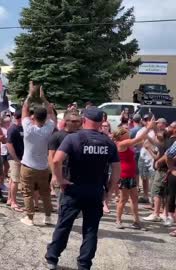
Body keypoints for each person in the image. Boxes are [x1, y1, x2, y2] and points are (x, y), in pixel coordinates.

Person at [45, 107, 121, 270]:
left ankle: (52, 258)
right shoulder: (108, 142)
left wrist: (60, 179)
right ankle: (84, 264)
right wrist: (109, 192)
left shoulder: (73, 138)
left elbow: (57, 161)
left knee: (64, 225)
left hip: (73, 189)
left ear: (84, 120)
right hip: (95, 191)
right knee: (91, 229)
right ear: (101, 122)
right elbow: (116, 170)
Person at [20, 83, 56, 226]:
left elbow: (24, 109)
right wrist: (44, 99)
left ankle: (29, 218)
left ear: (33, 116)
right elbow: (52, 114)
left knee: (28, 193)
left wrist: (30, 94)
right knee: (45, 193)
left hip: (28, 166)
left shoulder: (28, 128)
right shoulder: (48, 128)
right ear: (45, 117)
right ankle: (47, 217)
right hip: (43, 167)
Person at [113, 120, 155, 230]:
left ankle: (136, 222)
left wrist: (148, 130)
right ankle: (118, 220)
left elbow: (140, 139)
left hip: (131, 174)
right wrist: (149, 127)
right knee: (123, 199)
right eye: (126, 131)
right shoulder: (121, 143)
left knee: (134, 199)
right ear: (121, 135)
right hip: (124, 175)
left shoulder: (126, 142)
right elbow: (138, 139)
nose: (129, 132)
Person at [48, 110, 82, 209]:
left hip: (77, 174)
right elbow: (51, 156)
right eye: (73, 121)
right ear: (66, 121)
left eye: (78, 121)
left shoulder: (81, 135)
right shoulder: (57, 136)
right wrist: (54, 175)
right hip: (62, 172)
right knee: (63, 203)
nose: (76, 124)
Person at [6, 111, 24, 211]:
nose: (18, 120)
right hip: (14, 158)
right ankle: (14, 202)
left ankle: (9, 199)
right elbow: (9, 144)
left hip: (21, 157)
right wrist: (16, 158)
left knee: (13, 179)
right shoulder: (13, 129)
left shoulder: (22, 128)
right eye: (17, 118)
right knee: (16, 181)